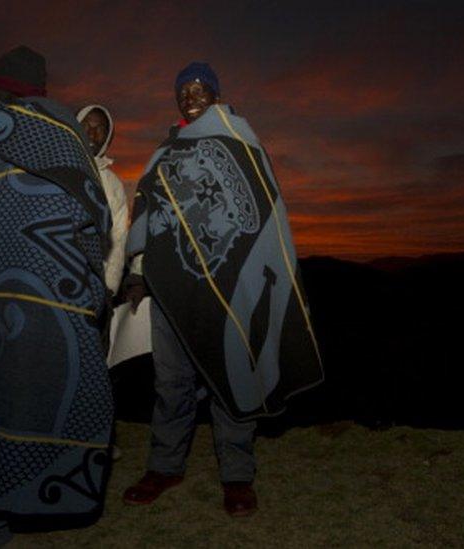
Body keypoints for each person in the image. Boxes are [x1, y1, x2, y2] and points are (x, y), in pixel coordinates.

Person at [122, 62, 324, 517]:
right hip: (171, 285)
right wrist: (137, 271)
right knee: (171, 381)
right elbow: (147, 211)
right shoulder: (165, 151)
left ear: (215, 95)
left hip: (227, 282)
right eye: (183, 90)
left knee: (230, 372)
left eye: (200, 89)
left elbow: (263, 212)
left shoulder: (240, 141)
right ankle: (165, 466)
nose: (190, 96)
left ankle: (236, 475)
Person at [0, 45, 114, 548]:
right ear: (40, 90)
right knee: (31, 406)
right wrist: (86, 288)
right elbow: (92, 216)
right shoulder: (56, 136)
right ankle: (2, 507)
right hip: (39, 306)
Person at [76, 104, 129, 296]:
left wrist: (109, 287)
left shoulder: (113, 185)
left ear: (107, 137)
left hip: (93, 284)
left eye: (100, 129)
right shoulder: (57, 167)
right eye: (86, 125)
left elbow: (118, 239)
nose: (91, 133)